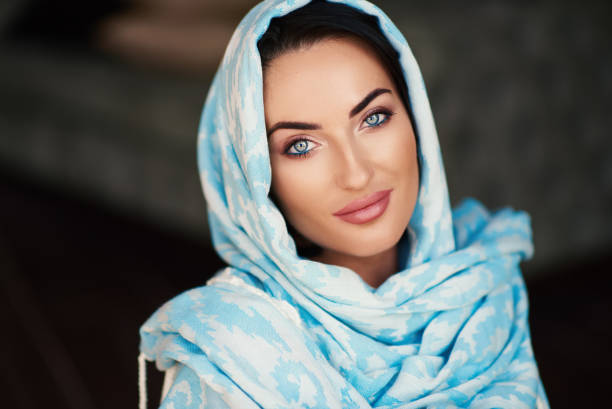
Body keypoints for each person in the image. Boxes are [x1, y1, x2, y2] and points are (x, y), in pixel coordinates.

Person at [139, 1, 548, 408]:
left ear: (415, 116)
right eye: (300, 146)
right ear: (254, 178)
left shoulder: (482, 282)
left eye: (373, 118)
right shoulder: (235, 351)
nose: (356, 174)